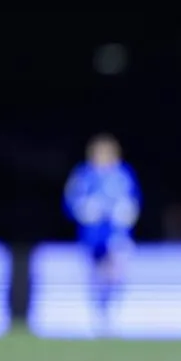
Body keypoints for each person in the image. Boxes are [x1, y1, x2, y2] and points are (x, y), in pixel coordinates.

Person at [63, 133, 141, 337]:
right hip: (92, 236)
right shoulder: (84, 174)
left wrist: (126, 213)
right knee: (96, 276)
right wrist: (85, 210)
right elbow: (71, 202)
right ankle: (98, 317)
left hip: (117, 235)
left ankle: (114, 315)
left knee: (116, 273)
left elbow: (134, 201)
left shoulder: (123, 174)